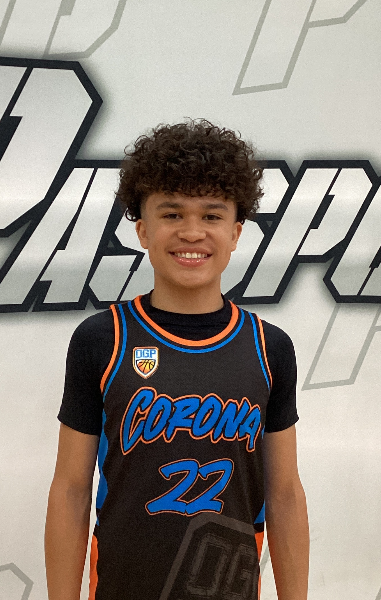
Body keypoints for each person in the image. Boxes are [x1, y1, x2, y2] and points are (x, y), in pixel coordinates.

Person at [45, 119, 309, 600]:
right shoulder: (101, 340)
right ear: (143, 230)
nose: (192, 232)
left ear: (236, 232)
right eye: (172, 214)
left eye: (211, 215)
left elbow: (285, 494)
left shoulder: (269, 347)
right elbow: (70, 489)